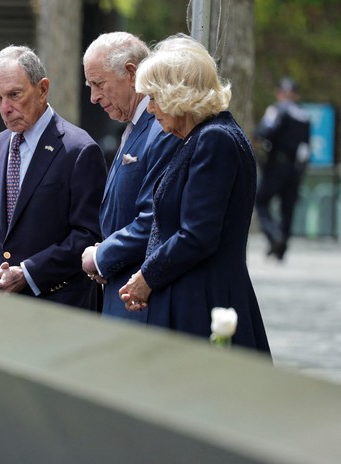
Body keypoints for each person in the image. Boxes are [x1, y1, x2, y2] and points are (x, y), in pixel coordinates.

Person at [118, 35, 270, 352]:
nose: (151, 108)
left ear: (179, 94)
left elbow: (198, 234)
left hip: (202, 306)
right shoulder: (203, 137)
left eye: (156, 97)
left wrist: (147, 277)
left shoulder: (215, 139)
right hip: (195, 300)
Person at [0, 45, 105, 310]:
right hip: (2, 307)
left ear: (42, 89)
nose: (5, 108)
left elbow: (88, 234)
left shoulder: (79, 150)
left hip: (59, 307)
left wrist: (28, 273)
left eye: (14, 95)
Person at [80, 32, 181, 321]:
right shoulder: (135, 126)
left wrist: (101, 257)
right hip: (122, 292)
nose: (93, 97)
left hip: (141, 300)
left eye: (99, 84)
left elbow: (155, 219)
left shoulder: (161, 126)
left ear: (131, 73)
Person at [255, 77, 311, 261]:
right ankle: (282, 248)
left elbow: (265, 130)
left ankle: (274, 236)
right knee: (288, 208)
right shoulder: (304, 115)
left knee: (261, 201)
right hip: (295, 167)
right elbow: (306, 147)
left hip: (277, 163)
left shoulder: (277, 110)